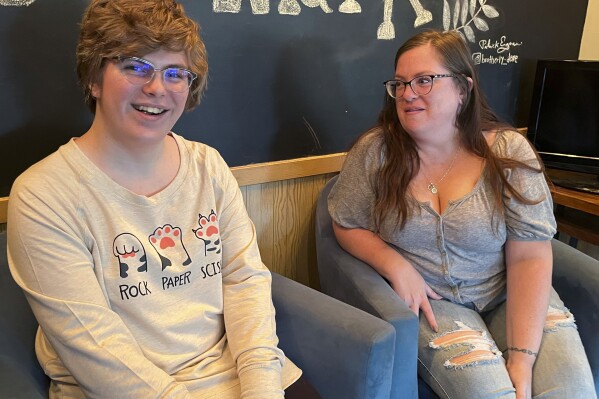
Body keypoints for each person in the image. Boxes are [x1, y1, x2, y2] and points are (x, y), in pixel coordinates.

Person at [6, 1, 322, 398]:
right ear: (94, 78)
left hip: (235, 375)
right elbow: (92, 348)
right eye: (135, 66)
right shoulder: (44, 194)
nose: (157, 88)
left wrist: (262, 386)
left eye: (175, 73)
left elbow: (244, 280)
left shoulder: (208, 165)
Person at [328, 30, 596, 399]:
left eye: (424, 81)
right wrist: (394, 263)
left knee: (573, 392)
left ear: (462, 88)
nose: (407, 94)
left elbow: (530, 254)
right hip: (436, 304)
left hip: (511, 294)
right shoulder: (375, 153)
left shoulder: (508, 153)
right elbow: (345, 223)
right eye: (400, 83)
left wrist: (521, 357)